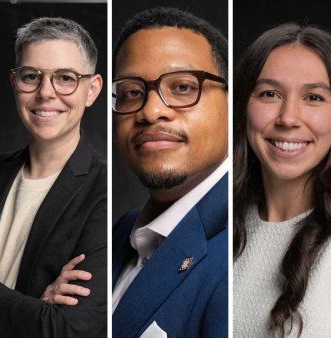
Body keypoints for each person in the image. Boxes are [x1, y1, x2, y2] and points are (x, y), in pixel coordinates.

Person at [111, 7, 228, 338]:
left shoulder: (241, 241)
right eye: (132, 92)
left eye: (183, 87)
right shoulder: (120, 233)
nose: (151, 110)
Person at [0, 17, 106, 337]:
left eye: (65, 78)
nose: (45, 93)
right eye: (32, 76)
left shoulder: (103, 195)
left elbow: (65, 328)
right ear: (15, 83)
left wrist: (42, 316)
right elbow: (44, 320)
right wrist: (34, 307)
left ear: (92, 90)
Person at [233, 23, 331, 337]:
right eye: (269, 94)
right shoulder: (219, 225)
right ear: (244, 106)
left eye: (313, 97)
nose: (288, 118)